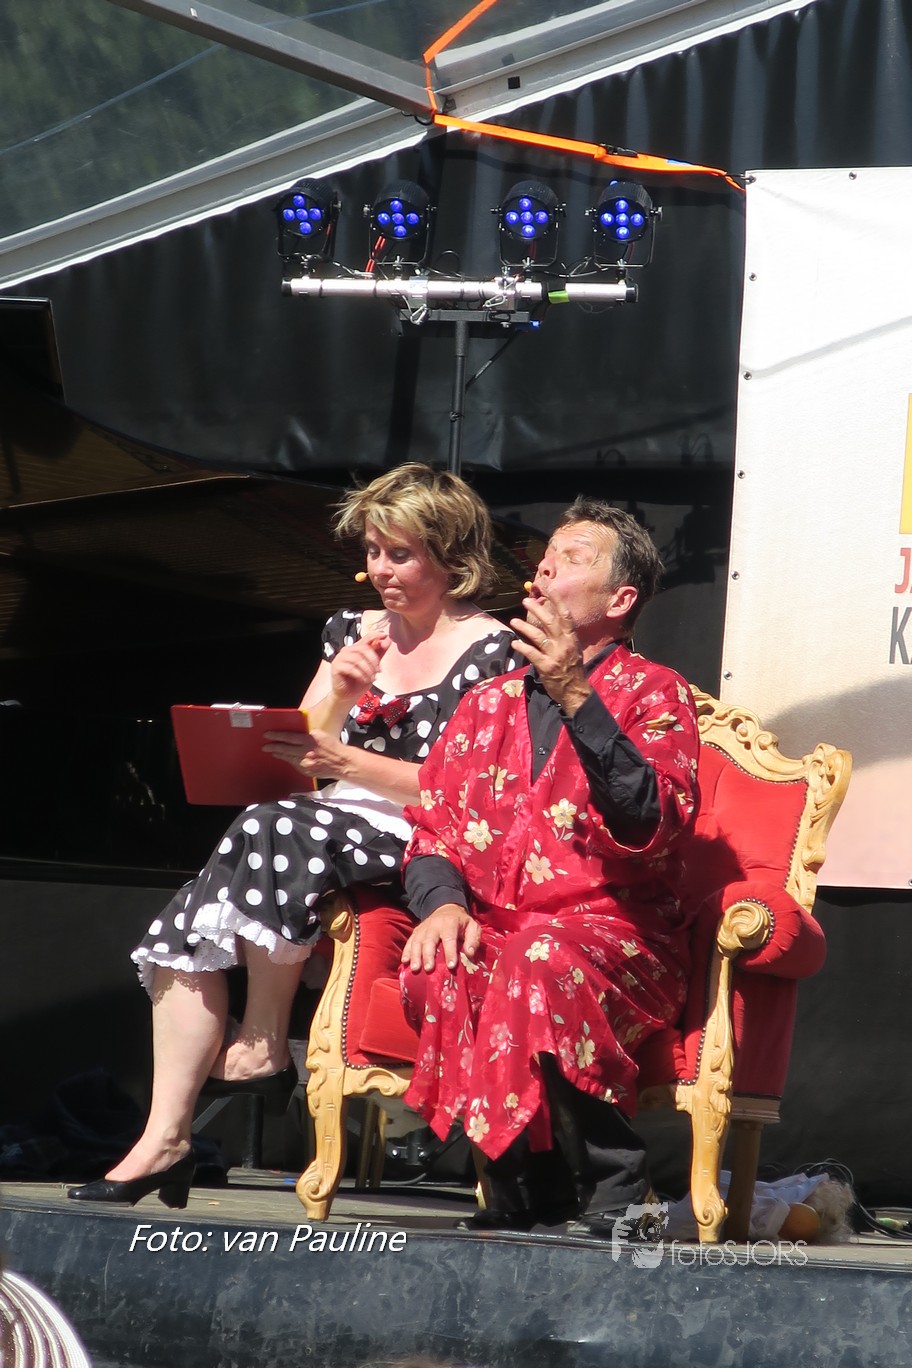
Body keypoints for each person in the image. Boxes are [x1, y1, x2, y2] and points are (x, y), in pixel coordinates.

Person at [68, 464, 519, 1207]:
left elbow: (472, 795)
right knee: (186, 930)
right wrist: (341, 691)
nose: (381, 570)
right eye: (372, 551)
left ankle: (263, 1042)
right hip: (322, 821)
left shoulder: (494, 653)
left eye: (400, 554)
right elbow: (299, 754)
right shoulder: (354, 631)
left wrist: (348, 762)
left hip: (423, 833)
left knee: (272, 825)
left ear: (451, 558)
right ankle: (164, 1136)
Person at [398, 498, 700, 1236]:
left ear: (619, 600)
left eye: (572, 558)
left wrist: (574, 694)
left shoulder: (655, 693)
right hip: (508, 929)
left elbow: (651, 818)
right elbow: (432, 830)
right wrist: (443, 905)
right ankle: (520, 1187)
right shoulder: (485, 703)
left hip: (620, 937)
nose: (543, 568)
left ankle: (617, 1188)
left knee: (538, 957)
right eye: (544, 557)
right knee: (449, 961)